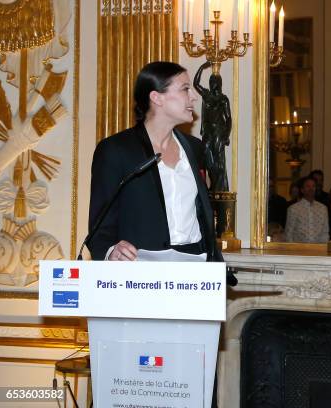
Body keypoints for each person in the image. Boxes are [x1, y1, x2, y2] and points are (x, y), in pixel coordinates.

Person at [88, 62, 235, 286]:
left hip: (196, 273)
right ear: (157, 97)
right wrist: (110, 252)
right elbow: (100, 224)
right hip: (140, 277)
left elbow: (201, 214)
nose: (193, 97)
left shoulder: (195, 149)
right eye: (185, 89)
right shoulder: (116, 150)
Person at [194, 61, 232, 192]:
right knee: (206, 155)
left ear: (219, 83)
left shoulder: (223, 99)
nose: (213, 83)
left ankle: (216, 187)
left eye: (215, 81)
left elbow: (229, 119)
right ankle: (212, 183)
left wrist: (226, 135)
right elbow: (196, 84)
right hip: (208, 131)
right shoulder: (206, 95)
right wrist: (201, 67)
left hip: (218, 131)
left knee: (218, 160)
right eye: (211, 81)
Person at [285, 177, 329, 243]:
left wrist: (323, 249)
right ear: (302, 190)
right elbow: (289, 233)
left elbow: (325, 232)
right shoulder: (293, 209)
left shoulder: (323, 208)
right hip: (299, 250)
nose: (311, 189)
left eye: (313, 186)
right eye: (308, 186)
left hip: (318, 249)